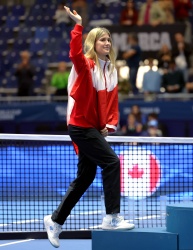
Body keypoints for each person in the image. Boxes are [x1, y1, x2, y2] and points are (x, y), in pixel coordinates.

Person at [44, 6, 134, 248]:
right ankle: (112, 217)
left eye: (109, 40)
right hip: (80, 125)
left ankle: (55, 221)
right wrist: (78, 25)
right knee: (112, 162)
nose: (107, 42)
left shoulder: (111, 71)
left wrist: (109, 125)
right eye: (102, 39)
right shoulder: (85, 66)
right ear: (93, 43)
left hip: (93, 127)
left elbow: (112, 102)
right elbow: (74, 53)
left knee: (85, 176)